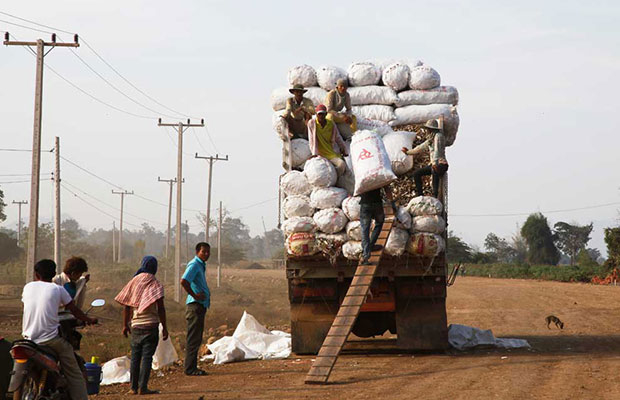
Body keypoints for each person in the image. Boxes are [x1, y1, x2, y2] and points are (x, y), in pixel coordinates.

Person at [21, 259, 97, 400]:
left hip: (28, 339)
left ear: (36, 275)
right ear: (54, 274)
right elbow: (75, 310)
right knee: (74, 372)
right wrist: (90, 320)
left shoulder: (28, 287)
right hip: (50, 340)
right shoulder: (58, 289)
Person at [114, 256, 168, 395]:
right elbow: (161, 308)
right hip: (151, 325)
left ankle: (133, 388)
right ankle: (143, 387)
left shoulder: (134, 281)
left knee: (135, 357)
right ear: (155, 268)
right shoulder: (156, 284)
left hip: (136, 325)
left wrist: (125, 325)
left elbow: (126, 306)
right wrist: (165, 327)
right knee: (147, 358)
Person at [181, 242, 211, 376]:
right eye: (203, 252)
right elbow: (184, 281)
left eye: (208, 252)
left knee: (196, 338)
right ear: (197, 252)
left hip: (200, 306)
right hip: (195, 306)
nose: (206, 254)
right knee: (193, 338)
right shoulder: (194, 265)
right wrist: (194, 295)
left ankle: (192, 366)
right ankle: (190, 368)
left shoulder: (200, 265)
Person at [401, 119, 449, 198]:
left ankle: (435, 195)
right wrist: (408, 152)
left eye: (428, 129)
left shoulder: (438, 136)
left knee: (434, 171)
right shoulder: (431, 138)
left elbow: (438, 150)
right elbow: (420, 148)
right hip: (434, 163)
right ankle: (420, 195)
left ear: (432, 129)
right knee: (417, 173)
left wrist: (434, 164)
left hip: (441, 164)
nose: (427, 131)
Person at [308, 104, 348, 176]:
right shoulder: (312, 123)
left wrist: (344, 149)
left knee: (342, 165)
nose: (321, 116)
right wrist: (314, 154)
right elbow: (311, 140)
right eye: (319, 114)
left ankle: (335, 177)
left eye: (323, 114)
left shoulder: (331, 124)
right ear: (316, 115)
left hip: (331, 153)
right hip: (319, 154)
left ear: (326, 114)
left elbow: (338, 137)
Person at [359, 187, 395, 265]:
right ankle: (371, 245)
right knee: (379, 222)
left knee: (365, 229)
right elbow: (387, 188)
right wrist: (392, 203)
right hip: (377, 203)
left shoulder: (362, 176)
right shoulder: (377, 176)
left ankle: (366, 256)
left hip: (365, 204)